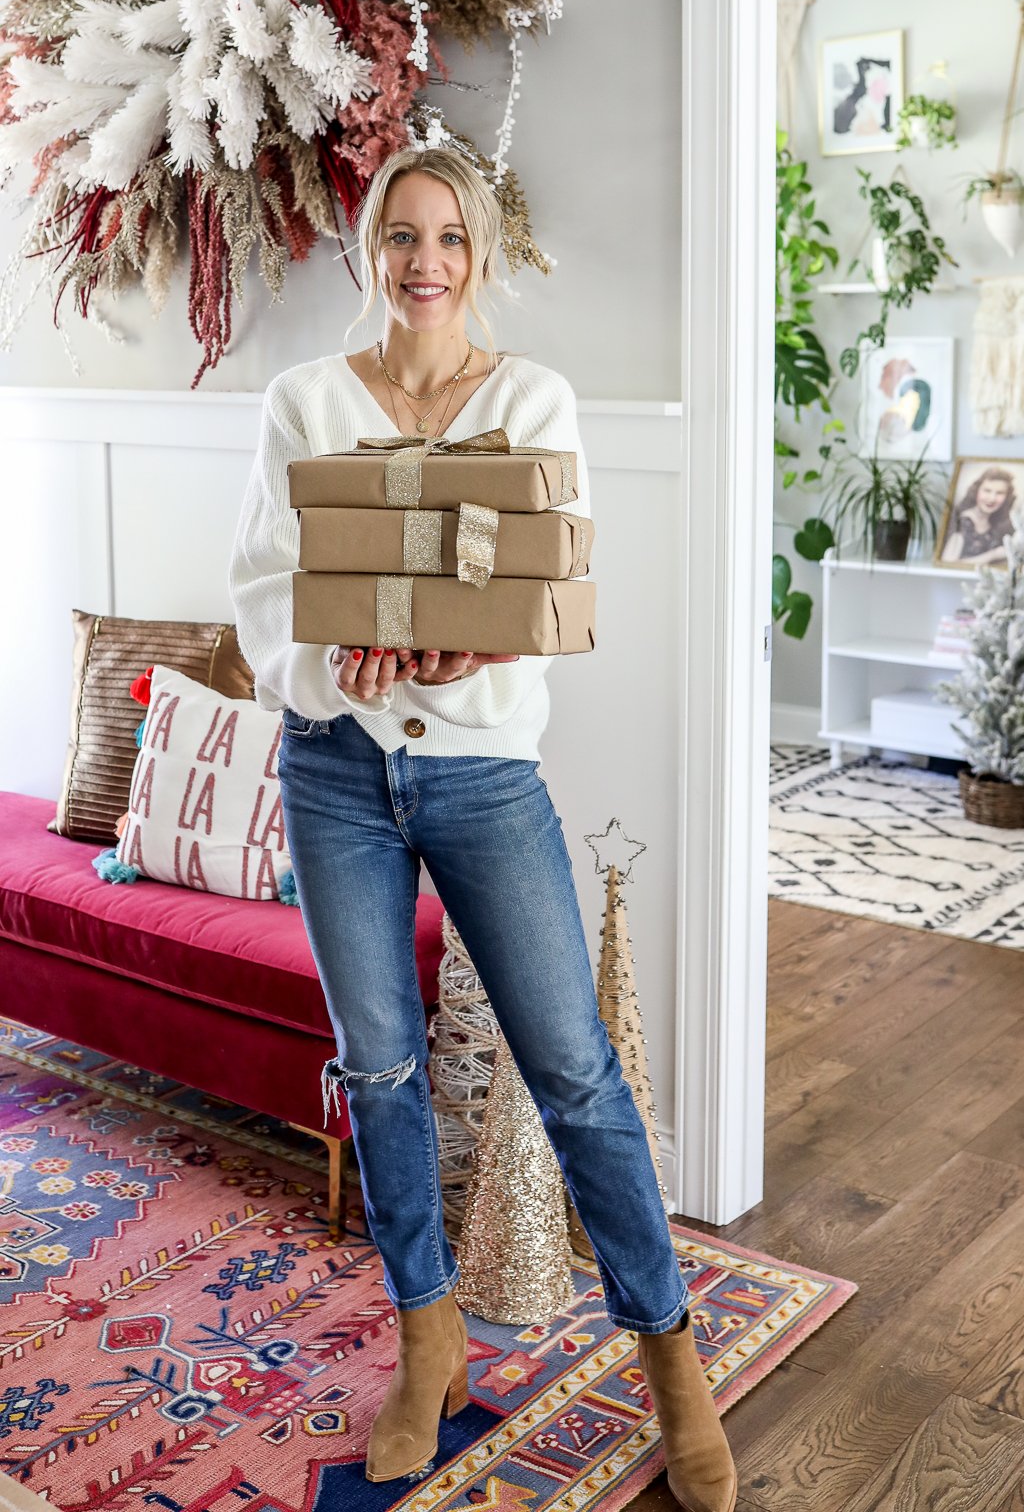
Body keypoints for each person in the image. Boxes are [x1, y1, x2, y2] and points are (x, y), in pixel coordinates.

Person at [228, 145, 737, 1512]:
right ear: (368, 252)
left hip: (481, 776)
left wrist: (467, 656)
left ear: (480, 255)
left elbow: (550, 589)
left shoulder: (531, 401)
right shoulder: (304, 401)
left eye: (449, 238)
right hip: (333, 770)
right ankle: (427, 1340)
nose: (425, 263)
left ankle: (669, 1362)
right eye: (401, 236)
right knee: (379, 1069)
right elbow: (265, 598)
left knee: (574, 1072)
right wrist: (349, 665)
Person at [941, 466, 1016, 566]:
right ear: (976, 491)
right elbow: (948, 564)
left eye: (999, 493)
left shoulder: (997, 523)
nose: (992, 498)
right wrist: (993, 555)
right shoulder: (964, 521)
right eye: (987, 490)